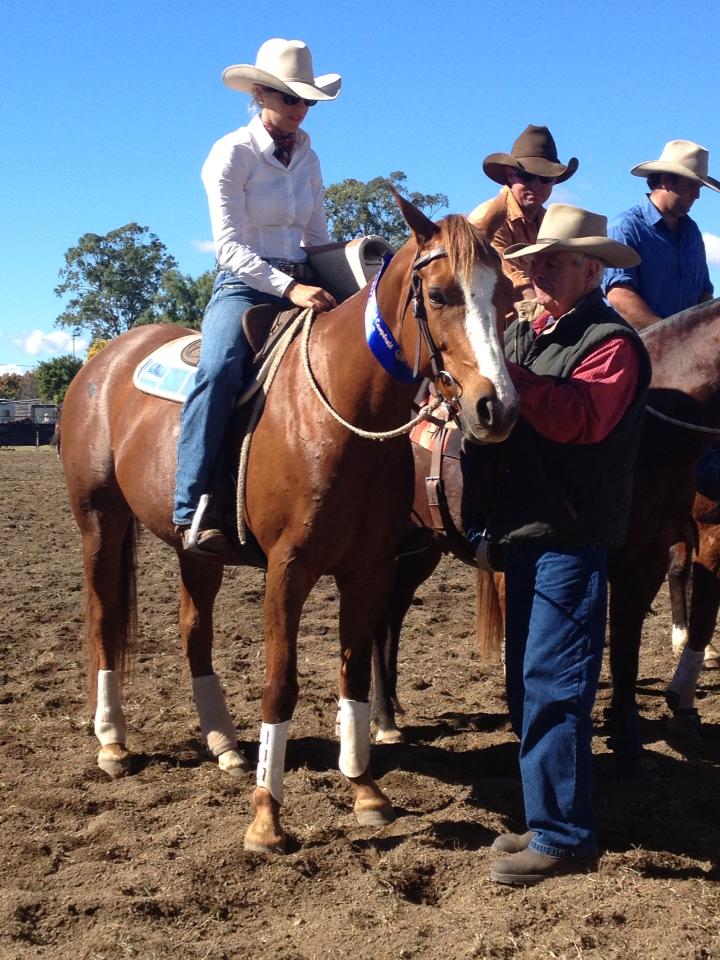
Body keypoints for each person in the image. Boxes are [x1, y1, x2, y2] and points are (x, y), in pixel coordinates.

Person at [463, 205, 651, 885]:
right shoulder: (525, 334)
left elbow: (580, 419)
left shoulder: (612, 343)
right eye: (534, 262)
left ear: (592, 271)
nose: (537, 272)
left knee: (554, 684)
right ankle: (549, 818)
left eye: (553, 262)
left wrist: (506, 378)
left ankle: (565, 837)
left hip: (572, 536)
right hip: (527, 529)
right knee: (527, 683)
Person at [173, 38, 341, 552]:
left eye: (307, 100)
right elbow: (228, 248)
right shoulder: (231, 153)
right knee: (219, 368)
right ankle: (191, 504)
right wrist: (291, 287)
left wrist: (358, 276)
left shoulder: (310, 157)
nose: (300, 109)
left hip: (306, 280)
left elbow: (316, 237)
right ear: (260, 95)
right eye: (291, 98)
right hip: (244, 286)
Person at [603, 139, 718, 328]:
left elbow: (704, 292)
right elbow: (619, 295)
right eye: (692, 185)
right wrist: (671, 336)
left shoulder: (692, 233)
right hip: (635, 342)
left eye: (699, 188)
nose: (697, 195)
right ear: (665, 181)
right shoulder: (626, 227)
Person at [468, 125, 578, 308]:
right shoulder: (487, 218)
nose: (536, 185)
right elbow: (507, 272)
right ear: (511, 175)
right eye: (526, 176)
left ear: (554, 182)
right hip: (500, 317)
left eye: (545, 178)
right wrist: (542, 311)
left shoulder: (549, 221)